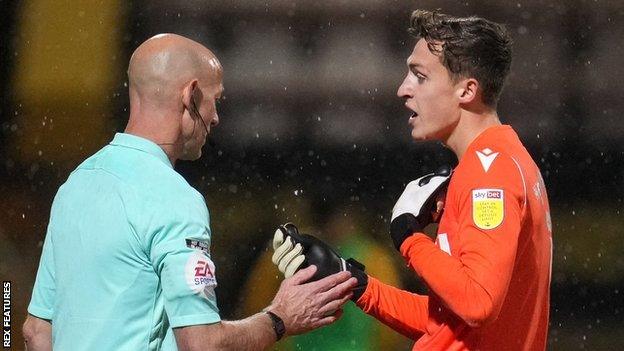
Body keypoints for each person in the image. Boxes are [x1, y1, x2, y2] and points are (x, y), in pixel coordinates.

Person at [22, 33, 357, 351]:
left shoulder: (76, 184)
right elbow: (201, 343)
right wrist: (280, 318)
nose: (216, 118)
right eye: (216, 100)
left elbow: (36, 332)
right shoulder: (174, 198)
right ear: (191, 95)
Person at [272, 10, 552, 350]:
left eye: (419, 76)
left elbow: (478, 302)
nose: (403, 89)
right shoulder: (502, 162)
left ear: (467, 90)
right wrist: (353, 281)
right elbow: (448, 323)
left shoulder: (488, 173)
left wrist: (408, 237)